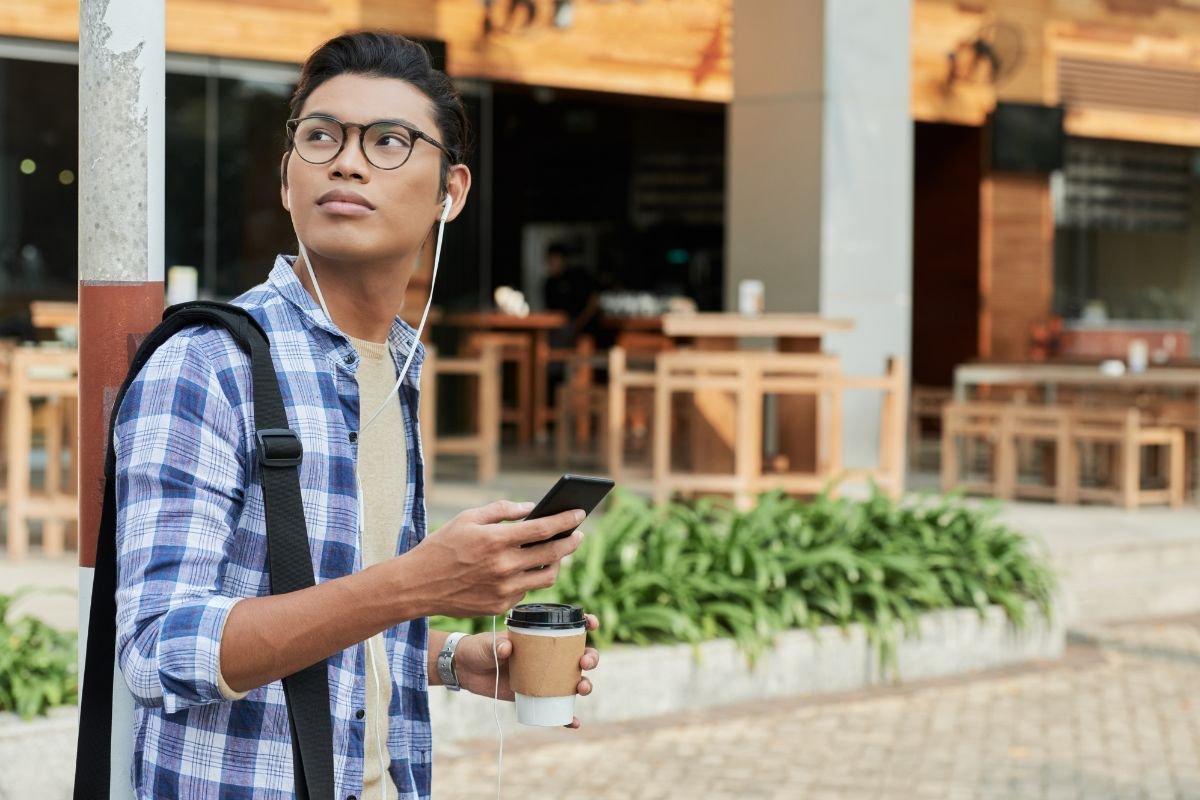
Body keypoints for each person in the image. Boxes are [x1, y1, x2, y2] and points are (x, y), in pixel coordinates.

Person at [114, 32, 599, 800]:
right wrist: (416, 584)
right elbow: (159, 649)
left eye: (389, 142)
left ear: (451, 192)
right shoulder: (210, 364)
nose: (346, 161)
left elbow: (326, 607)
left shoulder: (392, 364)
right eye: (321, 137)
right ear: (286, 179)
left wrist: (443, 656)